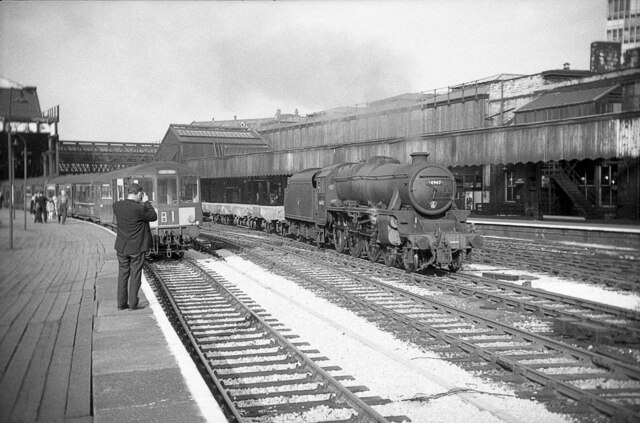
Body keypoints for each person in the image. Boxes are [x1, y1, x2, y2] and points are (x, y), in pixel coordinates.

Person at [112, 183, 157, 310]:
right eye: (140, 195)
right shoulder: (140, 209)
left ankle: (121, 304)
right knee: (135, 275)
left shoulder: (116, 206)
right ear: (138, 194)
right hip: (137, 248)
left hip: (121, 247)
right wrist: (147, 202)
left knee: (122, 275)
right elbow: (153, 216)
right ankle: (132, 304)